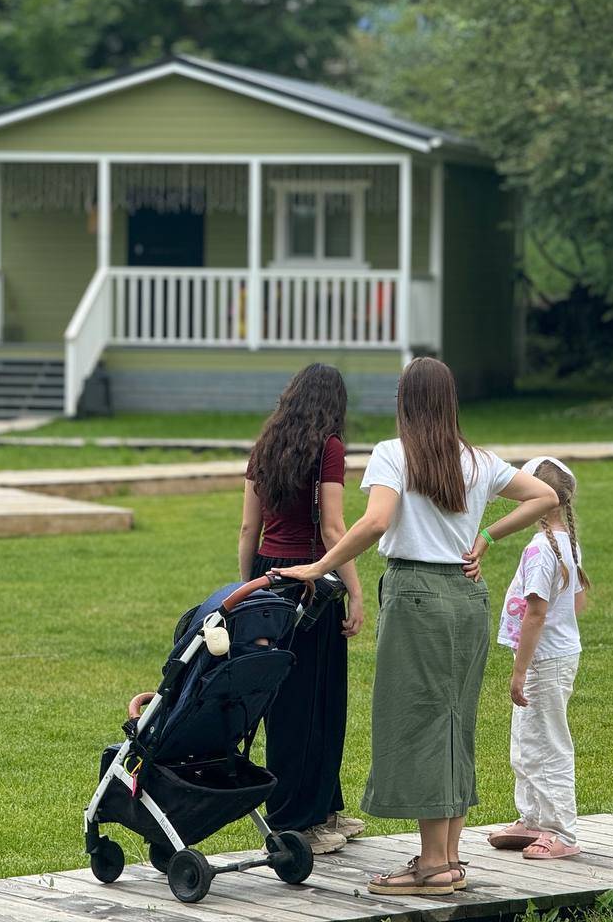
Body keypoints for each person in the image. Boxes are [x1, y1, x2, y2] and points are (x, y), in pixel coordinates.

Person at [274, 357, 558, 896]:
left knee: (420, 721)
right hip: (467, 597)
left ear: (405, 400)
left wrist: (317, 565)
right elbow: (545, 495)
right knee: (453, 722)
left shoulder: (393, 454)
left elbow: (377, 521)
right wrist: (487, 539)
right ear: (450, 402)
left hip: (417, 596)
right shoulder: (477, 460)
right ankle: (448, 858)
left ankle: (431, 866)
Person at [240, 363, 365, 856]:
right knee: (316, 701)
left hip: (270, 575)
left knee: (296, 701)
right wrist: (355, 591)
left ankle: (325, 806)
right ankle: (299, 820)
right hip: (312, 580)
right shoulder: (328, 448)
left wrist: (249, 588)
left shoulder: (265, 446)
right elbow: (335, 530)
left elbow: (249, 530)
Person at [487, 456, 590, 860]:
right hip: (554, 656)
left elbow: (537, 612)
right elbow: (576, 606)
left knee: (547, 744)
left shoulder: (540, 549)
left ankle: (562, 830)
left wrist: (520, 669)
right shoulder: (566, 543)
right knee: (527, 742)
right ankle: (532, 819)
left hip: (543, 661)